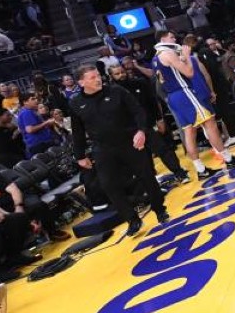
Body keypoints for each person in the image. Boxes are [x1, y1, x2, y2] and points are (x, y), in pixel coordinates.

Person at [68, 64, 168, 236]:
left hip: (130, 142)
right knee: (108, 184)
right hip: (102, 148)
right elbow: (77, 131)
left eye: (98, 75)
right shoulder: (75, 102)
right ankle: (132, 219)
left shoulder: (116, 91)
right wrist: (80, 156)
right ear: (81, 82)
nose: (98, 79)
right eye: (92, 77)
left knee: (147, 176)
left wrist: (141, 131)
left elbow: (138, 112)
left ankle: (160, 210)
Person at [152, 30, 235, 179]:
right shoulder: (168, 53)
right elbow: (189, 73)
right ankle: (228, 159)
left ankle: (201, 169)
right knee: (210, 124)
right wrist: (187, 57)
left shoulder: (155, 57)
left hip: (173, 97)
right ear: (163, 39)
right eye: (171, 37)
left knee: (189, 132)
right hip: (184, 92)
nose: (174, 39)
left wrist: (182, 58)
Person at [108, 63, 189, 183]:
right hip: (129, 131)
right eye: (117, 74)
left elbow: (152, 102)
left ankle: (179, 172)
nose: (121, 75)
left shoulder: (139, 83)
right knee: (142, 158)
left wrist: (159, 119)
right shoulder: (110, 93)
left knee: (163, 149)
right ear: (111, 76)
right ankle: (152, 181)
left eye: (122, 72)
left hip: (146, 125)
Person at [16, 93, 59, 157]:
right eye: (33, 99)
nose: (36, 100)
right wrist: (46, 123)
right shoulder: (26, 112)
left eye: (36, 98)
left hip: (42, 143)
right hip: (39, 144)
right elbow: (30, 129)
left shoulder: (30, 111)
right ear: (25, 102)